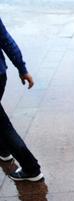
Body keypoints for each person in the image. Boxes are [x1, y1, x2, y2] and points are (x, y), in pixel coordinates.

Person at [0, 17, 43, 181]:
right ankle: (3, 151)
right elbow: (5, 40)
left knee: (4, 126)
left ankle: (31, 168)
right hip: (0, 76)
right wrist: (22, 68)